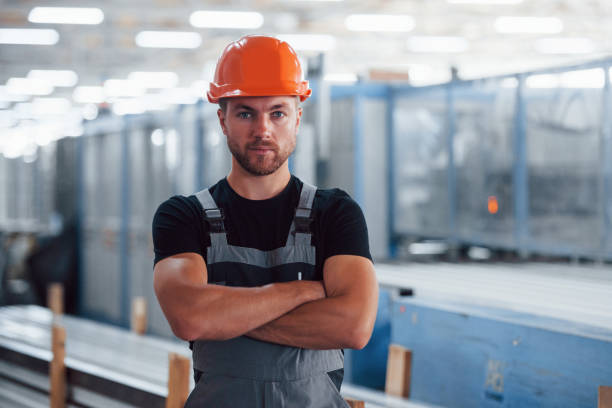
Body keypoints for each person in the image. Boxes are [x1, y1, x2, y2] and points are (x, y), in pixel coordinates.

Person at [152, 35, 378, 407]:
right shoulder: (183, 217)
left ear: (297, 118)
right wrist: (302, 292)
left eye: (277, 112)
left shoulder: (335, 213)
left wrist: (225, 317)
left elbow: (353, 325)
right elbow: (190, 319)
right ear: (222, 119)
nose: (262, 130)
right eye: (245, 113)